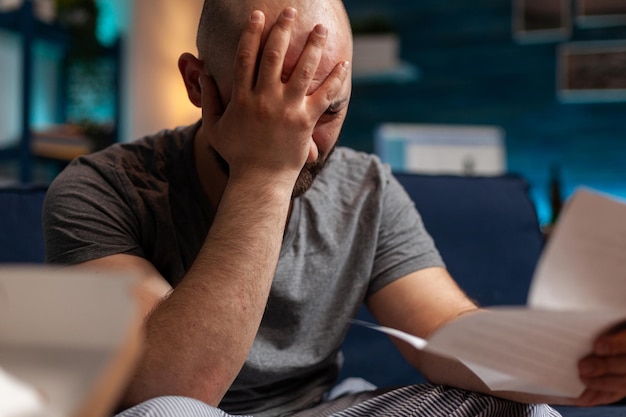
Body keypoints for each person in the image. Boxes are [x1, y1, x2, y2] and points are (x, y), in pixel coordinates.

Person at [42, 0, 626, 416]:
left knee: (525, 411)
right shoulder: (99, 190)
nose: (303, 144)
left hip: (326, 411)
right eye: (270, 106)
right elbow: (163, 386)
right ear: (199, 84)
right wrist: (265, 173)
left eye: (327, 111)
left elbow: (446, 327)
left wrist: (572, 364)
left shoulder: (366, 188)